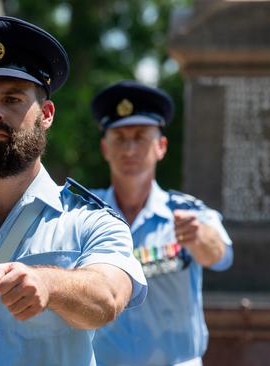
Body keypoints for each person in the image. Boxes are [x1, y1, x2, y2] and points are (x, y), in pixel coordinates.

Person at [0, 16, 147, 366]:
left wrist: (50, 285)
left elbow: (109, 297)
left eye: (12, 99)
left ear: (46, 114)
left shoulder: (89, 221)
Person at [89, 80, 234, 366]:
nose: (129, 149)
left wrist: (200, 238)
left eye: (141, 136)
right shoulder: (85, 214)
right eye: (119, 137)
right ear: (105, 148)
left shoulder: (187, 212)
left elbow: (222, 256)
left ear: (161, 146)